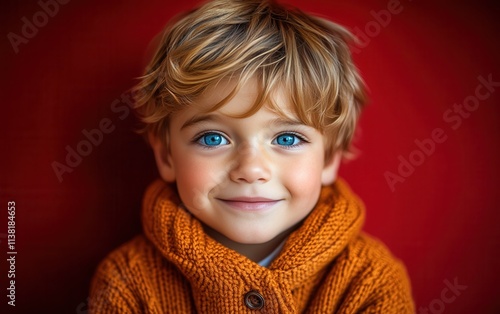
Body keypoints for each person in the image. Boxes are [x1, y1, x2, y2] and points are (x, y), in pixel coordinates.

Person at [89, 0, 414, 312]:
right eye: (213, 138)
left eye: (287, 138)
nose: (251, 169)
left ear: (329, 159)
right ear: (166, 157)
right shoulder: (125, 280)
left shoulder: (372, 280)